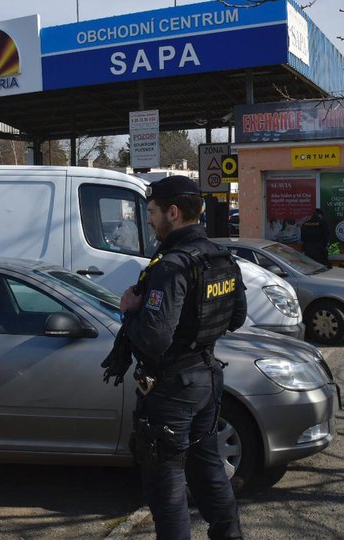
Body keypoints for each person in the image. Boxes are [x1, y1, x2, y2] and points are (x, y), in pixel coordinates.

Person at [103, 175, 246, 540]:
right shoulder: (221, 256)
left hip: (171, 390)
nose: (148, 220)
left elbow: (153, 339)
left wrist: (130, 311)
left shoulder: (172, 265)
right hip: (207, 378)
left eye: (151, 212)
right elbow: (236, 317)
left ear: (173, 212)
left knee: (165, 487)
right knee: (208, 469)